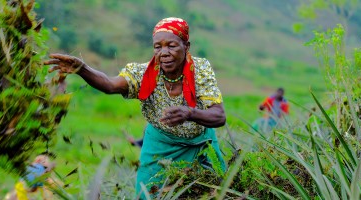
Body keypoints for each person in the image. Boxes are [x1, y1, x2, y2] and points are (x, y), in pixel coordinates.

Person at [44, 17, 226, 196]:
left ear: (186, 46)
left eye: (171, 46)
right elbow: (110, 85)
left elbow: (219, 116)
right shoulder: (141, 74)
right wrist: (82, 69)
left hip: (200, 145)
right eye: (158, 47)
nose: (164, 52)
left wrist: (189, 113)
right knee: (147, 194)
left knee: (212, 191)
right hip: (159, 147)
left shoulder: (200, 70)